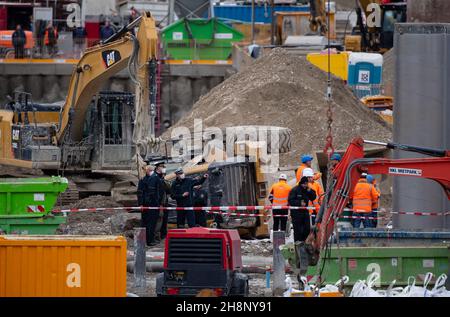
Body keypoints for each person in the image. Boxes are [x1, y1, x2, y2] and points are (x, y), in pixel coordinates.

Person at [137, 162, 166, 246]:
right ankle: (147, 240)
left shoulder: (156, 179)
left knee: (151, 223)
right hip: (149, 205)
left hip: (153, 204)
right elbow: (140, 192)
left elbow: (160, 192)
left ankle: (149, 240)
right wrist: (141, 204)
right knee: (147, 223)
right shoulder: (144, 179)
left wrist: (160, 203)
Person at [288, 176, 316, 243]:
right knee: (298, 231)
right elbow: (290, 201)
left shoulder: (307, 190)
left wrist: (310, 191)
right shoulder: (295, 190)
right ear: (301, 183)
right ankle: (298, 245)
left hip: (305, 213)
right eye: (304, 184)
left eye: (306, 184)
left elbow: (313, 197)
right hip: (296, 214)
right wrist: (299, 203)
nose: (305, 185)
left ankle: (305, 244)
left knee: (307, 229)